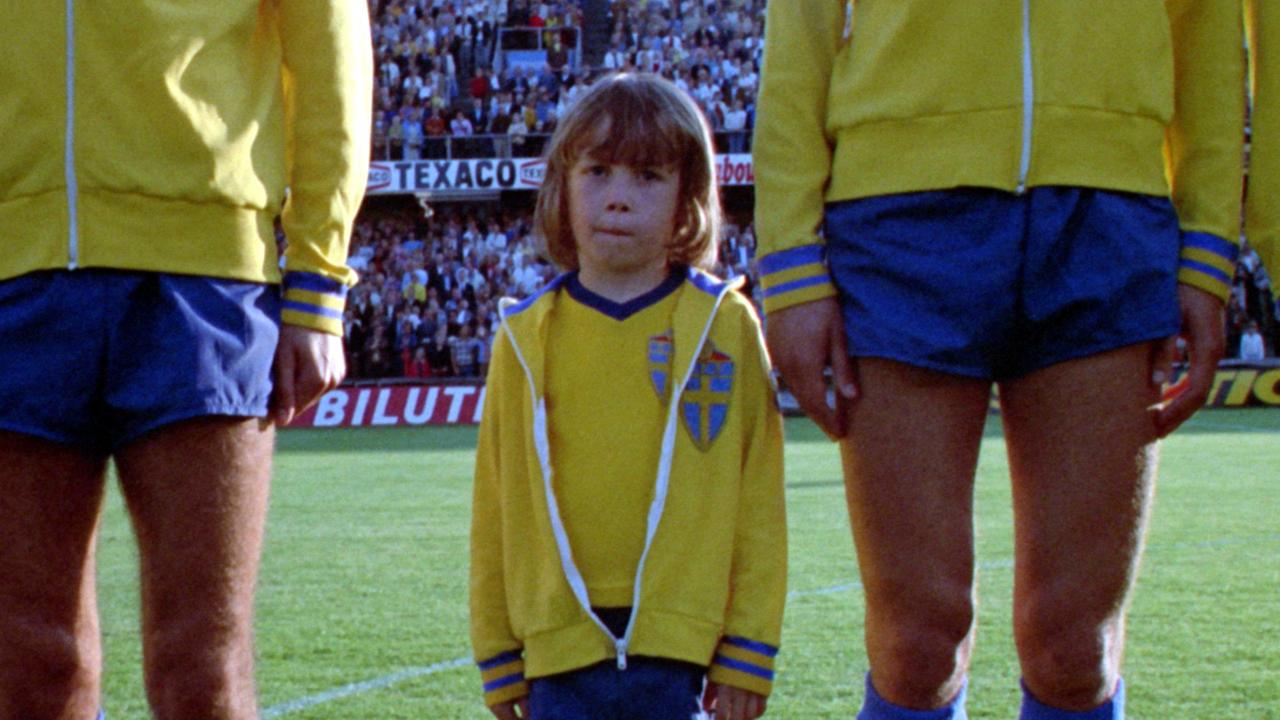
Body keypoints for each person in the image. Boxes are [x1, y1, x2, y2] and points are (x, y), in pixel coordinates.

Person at [753, 3, 1243, 720]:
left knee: (1076, 651)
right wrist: (790, 261)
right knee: (917, 647)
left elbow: (1208, 30)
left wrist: (1206, 251)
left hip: (1109, 211)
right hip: (895, 219)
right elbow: (801, 21)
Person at [0, 2, 371, 719]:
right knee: (32, 669)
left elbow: (329, 42)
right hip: (14, 276)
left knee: (203, 672)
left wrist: (320, 276)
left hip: (205, 282)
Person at [469, 73, 786, 720]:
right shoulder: (524, 338)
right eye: (599, 172)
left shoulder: (723, 326)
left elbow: (758, 500)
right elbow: (495, 505)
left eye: (648, 176)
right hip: (555, 654)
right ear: (562, 183)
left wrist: (749, 646)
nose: (618, 199)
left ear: (686, 199)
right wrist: (498, 651)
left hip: (685, 649)